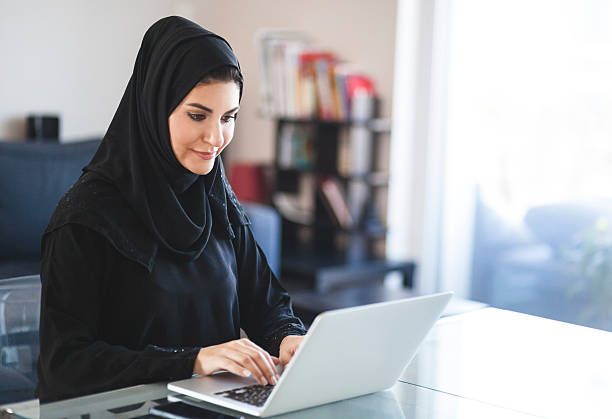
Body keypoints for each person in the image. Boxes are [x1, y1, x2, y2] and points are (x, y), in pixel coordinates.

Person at [36, 16, 306, 403]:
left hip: (216, 407)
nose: (216, 139)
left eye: (228, 118)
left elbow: (267, 305)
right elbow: (65, 365)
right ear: (154, 105)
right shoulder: (84, 219)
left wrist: (289, 337)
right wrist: (192, 361)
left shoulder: (215, 197)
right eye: (198, 115)